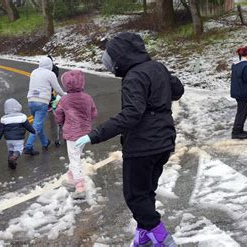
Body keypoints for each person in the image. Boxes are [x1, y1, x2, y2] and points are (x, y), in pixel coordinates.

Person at [75, 32, 184, 246]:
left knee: (134, 196)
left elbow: (132, 114)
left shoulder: (134, 76)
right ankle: (144, 237)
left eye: (111, 60)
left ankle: (162, 238)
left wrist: (95, 134)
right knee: (146, 192)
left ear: (120, 58)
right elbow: (178, 90)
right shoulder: (157, 67)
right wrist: (159, 85)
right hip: (164, 141)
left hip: (143, 145)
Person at [54, 70, 98, 200]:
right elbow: (94, 114)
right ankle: (71, 176)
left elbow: (59, 114)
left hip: (72, 133)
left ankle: (79, 187)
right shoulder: (87, 98)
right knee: (76, 155)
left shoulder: (64, 100)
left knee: (74, 158)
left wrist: (61, 122)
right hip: (85, 132)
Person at [24, 56, 66, 155]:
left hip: (31, 100)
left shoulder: (34, 72)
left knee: (37, 124)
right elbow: (57, 89)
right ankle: (28, 146)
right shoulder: (50, 74)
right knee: (37, 125)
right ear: (50, 65)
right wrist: (65, 96)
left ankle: (45, 142)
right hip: (42, 101)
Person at [0, 98, 36, 169]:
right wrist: (33, 131)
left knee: (10, 150)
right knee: (18, 150)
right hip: (18, 138)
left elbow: (0, 130)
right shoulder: (22, 116)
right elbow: (28, 126)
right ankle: (13, 158)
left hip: (8, 140)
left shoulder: (4, 118)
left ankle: (10, 163)